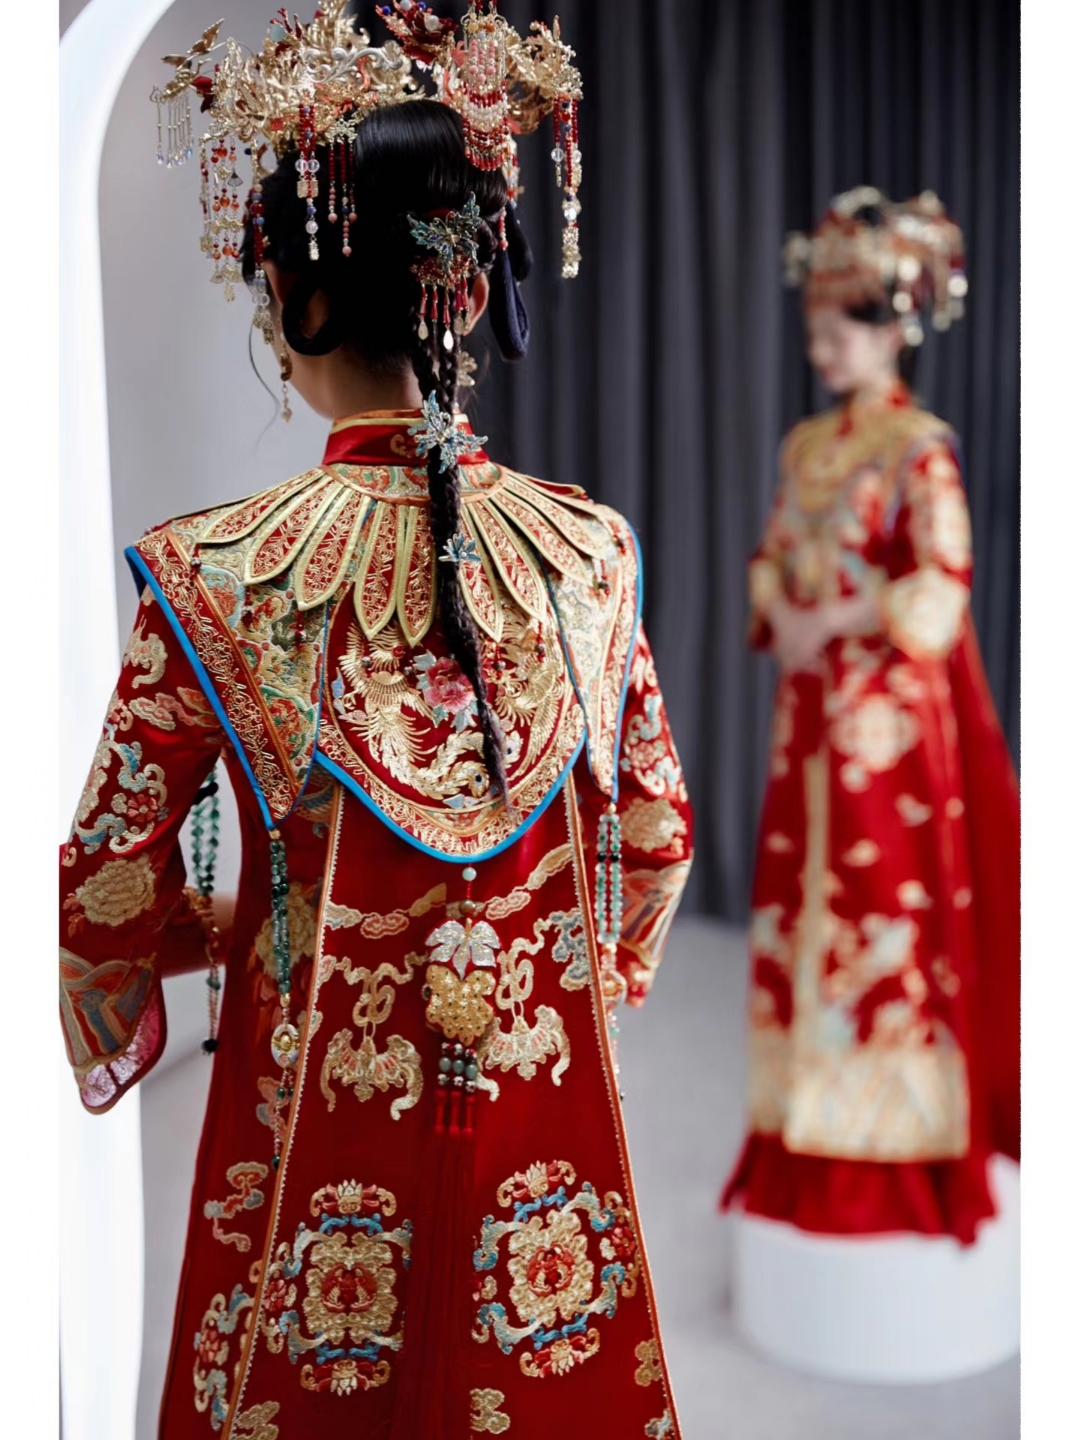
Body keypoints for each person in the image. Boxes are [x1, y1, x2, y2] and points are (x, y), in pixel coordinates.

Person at [59, 6, 691, 1437]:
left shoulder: (219, 571)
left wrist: (223, 935)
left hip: (308, 1104)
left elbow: (102, 883)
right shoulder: (589, 554)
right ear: (467, 293)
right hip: (533, 1101)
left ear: (294, 302)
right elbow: (655, 839)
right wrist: (560, 978)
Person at [720, 187, 1019, 1247]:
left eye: (838, 331)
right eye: (815, 330)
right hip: (809, 713)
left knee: (881, 901)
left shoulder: (918, 448)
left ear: (893, 330)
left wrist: (836, 617)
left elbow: (941, 583)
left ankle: (896, 1146)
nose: (822, 348)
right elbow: (769, 556)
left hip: (884, 723)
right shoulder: (807, 447)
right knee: (802, 899)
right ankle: (801, 1125)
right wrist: (783, 615)